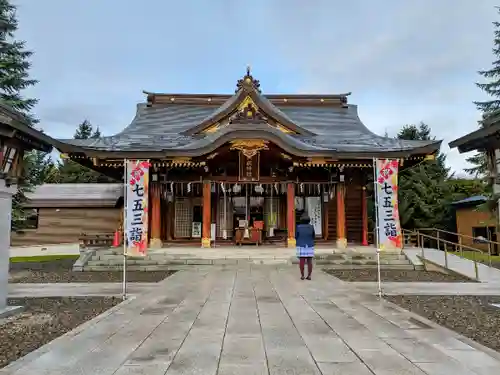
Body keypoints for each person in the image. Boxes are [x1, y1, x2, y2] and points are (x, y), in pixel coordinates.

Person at [295, 214, 315, 280]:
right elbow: (313, 236)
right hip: (309, 245)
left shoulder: (298, 227)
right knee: (309, 261)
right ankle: (309, 276)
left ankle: (302, 275)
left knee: (302, 261)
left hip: (301, 245)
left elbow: (296, 236)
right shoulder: (311, 227)